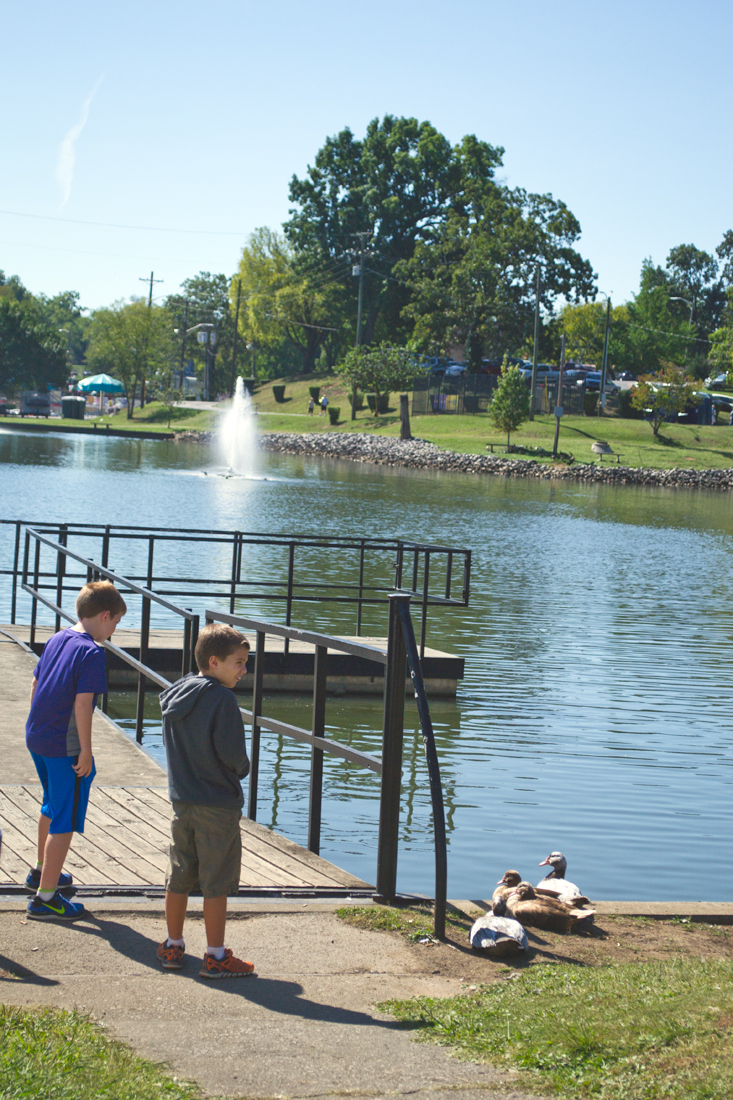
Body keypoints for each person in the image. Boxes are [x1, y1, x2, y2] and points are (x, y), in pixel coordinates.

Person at [25, 581, 127, 920]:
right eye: (115, 623)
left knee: (51, 803)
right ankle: (46, 898)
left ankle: (41, 871)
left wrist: (35, 723)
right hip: (64, 746)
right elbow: (84, 705)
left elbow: (36, 683)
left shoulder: (58, 638)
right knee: (65, 818)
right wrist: (85, 750)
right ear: (104, 615)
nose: (114, 630)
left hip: (37, 736)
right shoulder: (92, 652)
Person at [157, 623, 253, 978]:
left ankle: (172, 945)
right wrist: (242, 768)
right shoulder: (223, 699)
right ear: (214, 662)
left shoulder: (177, 692)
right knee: (216, 880)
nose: (244, 670)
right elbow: (232, 754)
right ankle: (215, 956)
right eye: (239, 662)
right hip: (218, 804)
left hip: (182, 801)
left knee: (179, 873)